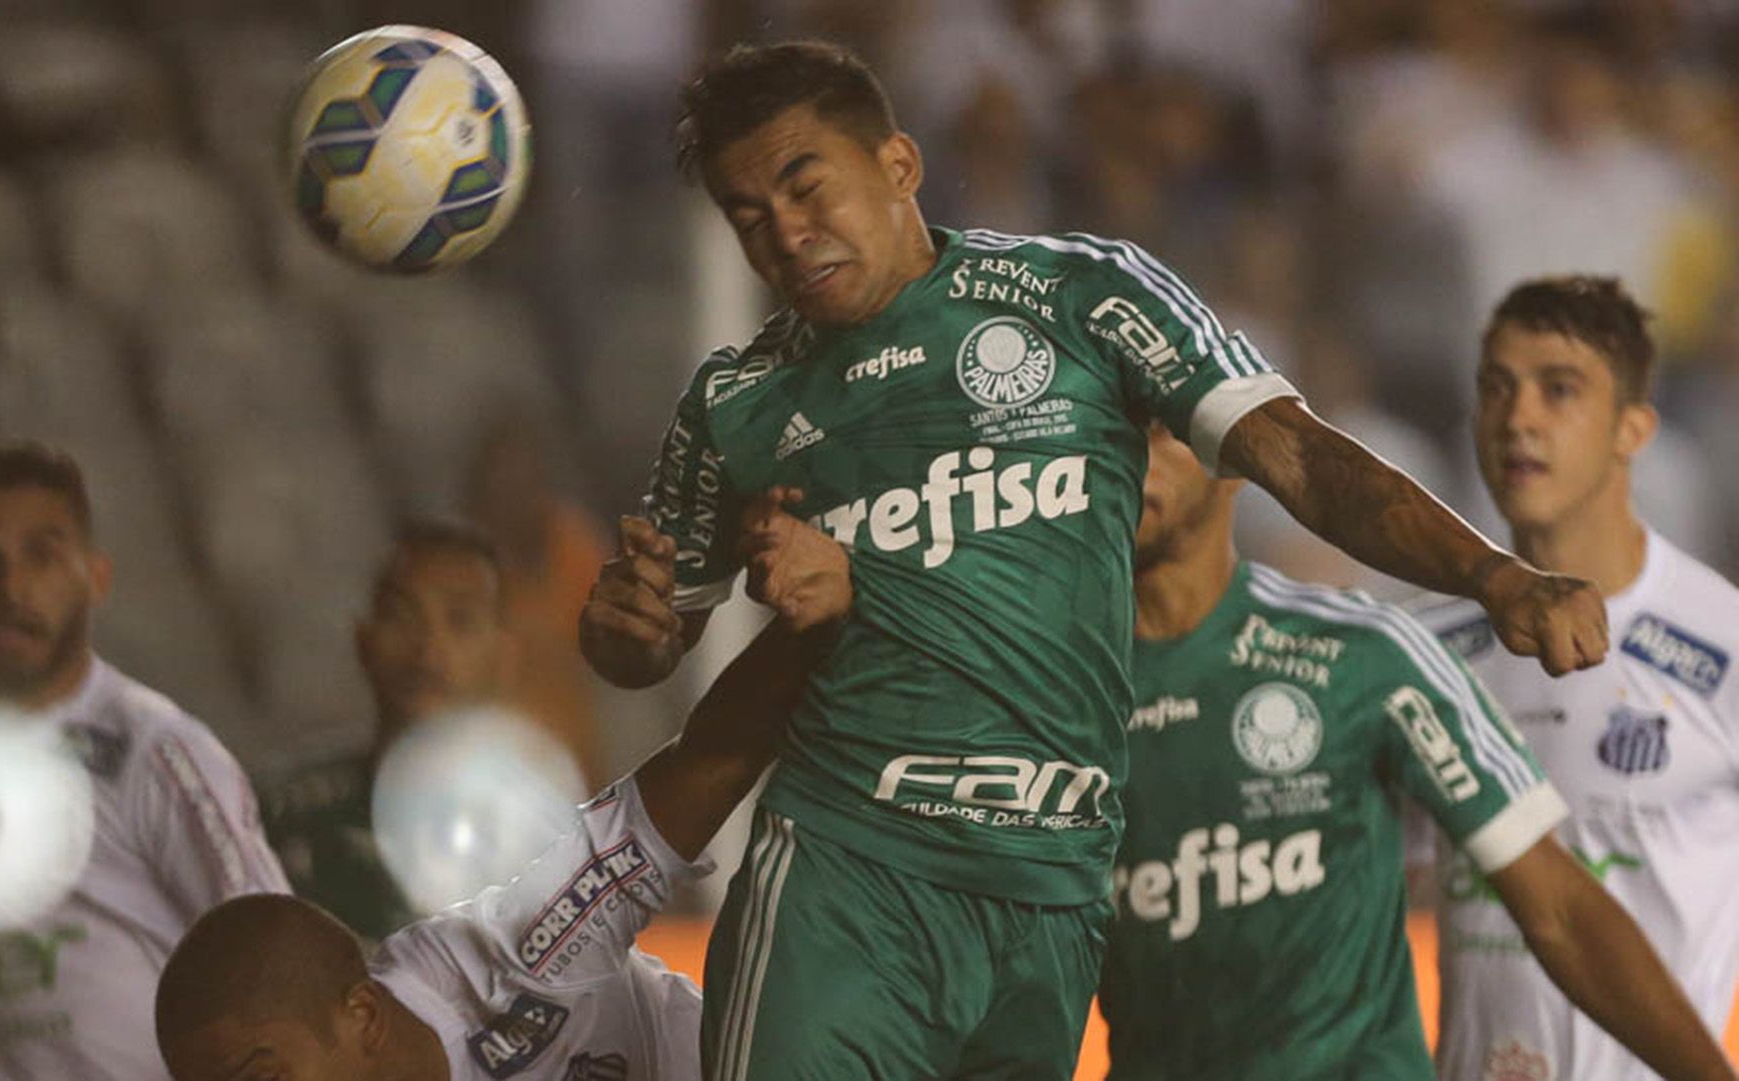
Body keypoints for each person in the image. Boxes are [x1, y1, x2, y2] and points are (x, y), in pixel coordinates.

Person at [579, 40, 1607, 1080]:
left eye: (806, 188)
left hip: (1055, 896)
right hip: (853, 875)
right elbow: (653, 640)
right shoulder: (735, 401)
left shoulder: (1080, 296)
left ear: (897, 163)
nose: (787, 235)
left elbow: (1297, 452)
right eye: (748, 216)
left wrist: (1493, 573)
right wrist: (629, 626)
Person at [1101, 421, 1737, 1080]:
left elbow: (1559, 909)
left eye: (1162, 434)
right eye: (1106, 431)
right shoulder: (1054, 702)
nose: (1131, 458)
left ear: (1235, 459)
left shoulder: (1365, 654)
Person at [154, 612, 833, 1081]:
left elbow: (711, 759)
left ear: (361, 1015)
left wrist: (836, 602)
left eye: (262, 1079)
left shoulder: (516, 959)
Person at [0, 438, 288, 1081]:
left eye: (41, 555)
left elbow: (280, 970)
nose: (12, 588)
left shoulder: (159, 751)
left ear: (95, 577)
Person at [1419, 276, 1739, 1080]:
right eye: (1496, 387)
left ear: (1634, 427)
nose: (1517, 417)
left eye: (1558, 389)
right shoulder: (1421, 646)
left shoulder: (1723, 641)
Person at [257, 518, 550, 942]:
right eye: (402, 615)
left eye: (460, 620)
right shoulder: (280, 814)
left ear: (505, 657)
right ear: (363, 641)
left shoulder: (542, 843)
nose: (428, 648)